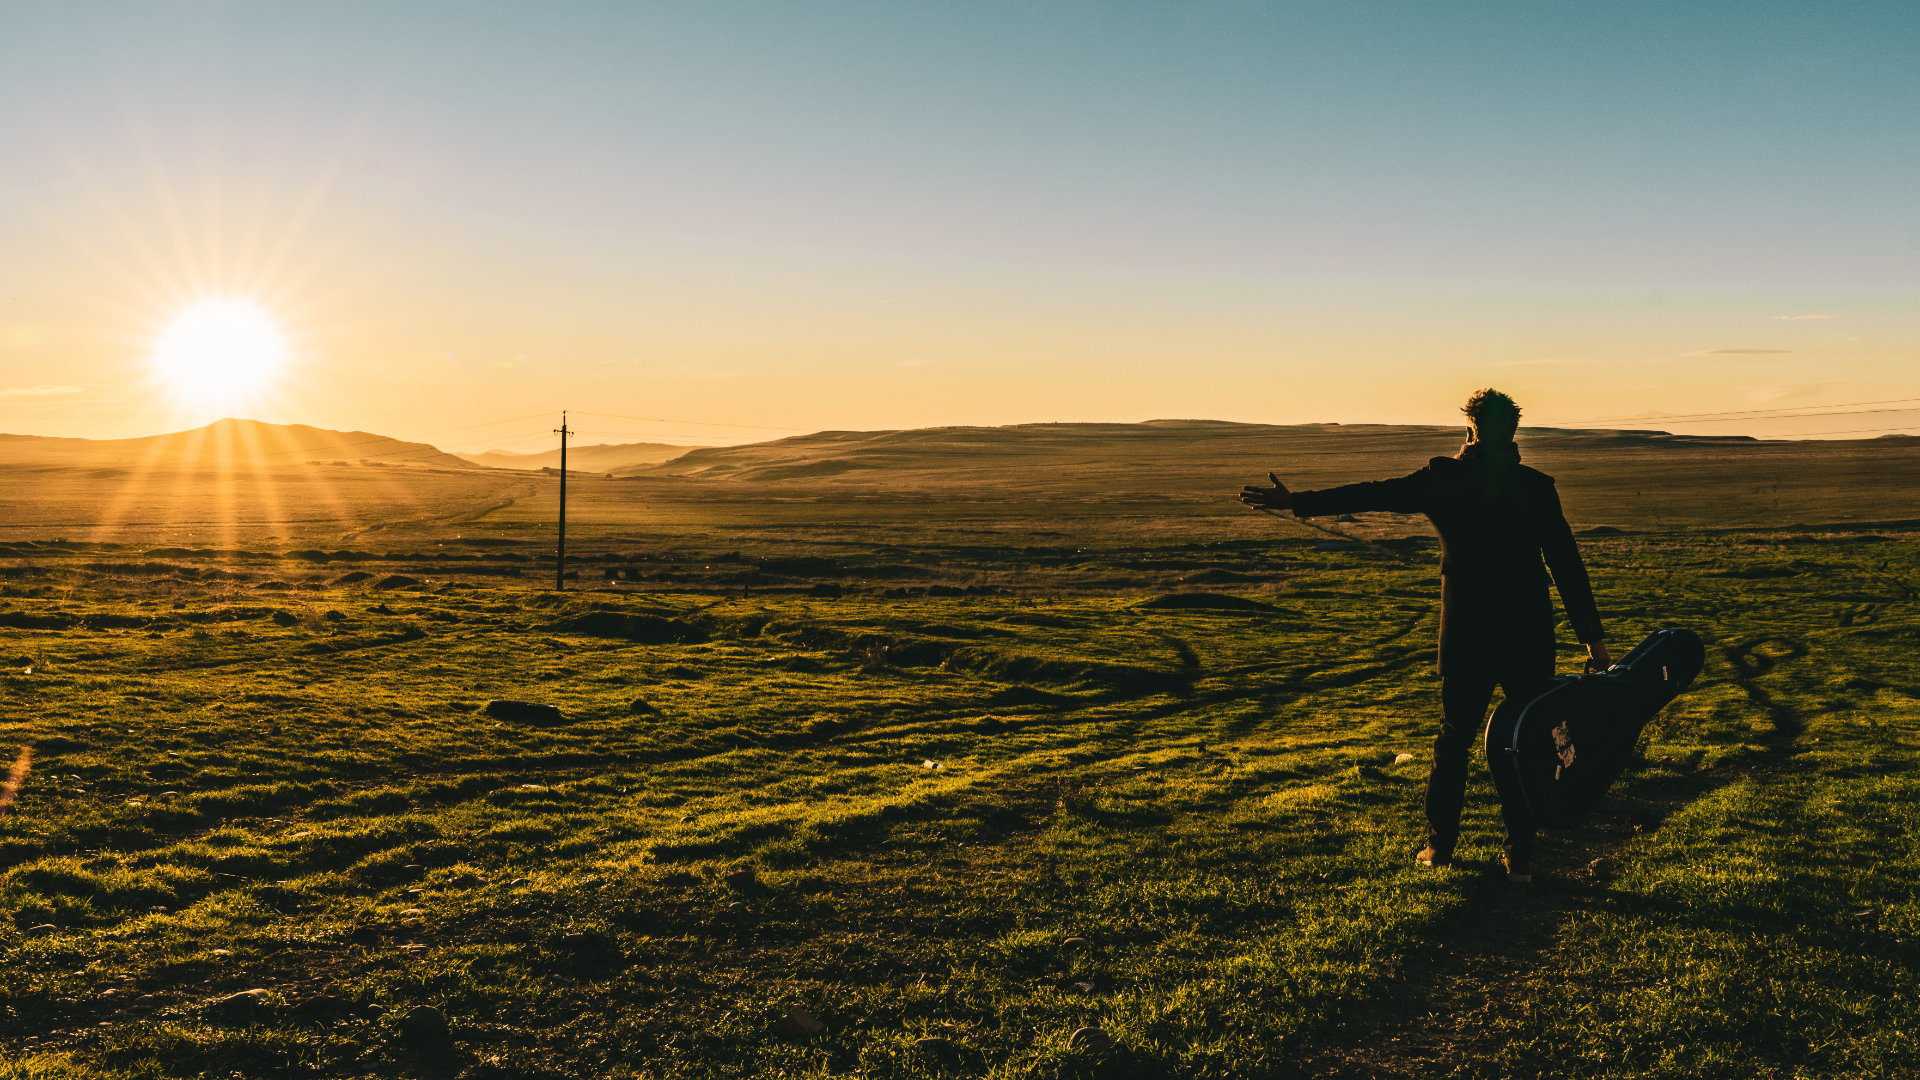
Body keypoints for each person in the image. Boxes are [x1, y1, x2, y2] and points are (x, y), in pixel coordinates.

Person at [1238, 389, 1608, 884]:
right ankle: (1519, 854)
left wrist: (1297, 502)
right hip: (1527, 632)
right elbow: (1566, 563)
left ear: (1470, 428)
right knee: (1530, 741)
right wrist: (1593, 639)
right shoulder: (1536, 487)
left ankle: (1440, 847)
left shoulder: (1443, 479)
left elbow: (1373, 492)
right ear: (1515, 432)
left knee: (1454, 741)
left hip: (1468, 634)